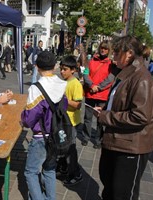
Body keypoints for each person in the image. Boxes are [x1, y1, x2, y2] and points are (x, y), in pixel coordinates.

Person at [94, 35, 153, 200]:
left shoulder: (142, 79)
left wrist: (106, 116)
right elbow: (120, 102)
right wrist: (105, 108)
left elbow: (140, 116)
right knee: (109, 188)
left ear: (129, 53)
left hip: (130, 146)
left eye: (116, 52)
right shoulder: (126, 74)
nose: (112, 56)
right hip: (116, 142)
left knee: (122, 193)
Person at [21, 51, 67, 200]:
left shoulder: (36, 88)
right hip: (55, 134)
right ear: (55, 66)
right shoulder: (62, 84)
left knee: (31, 172)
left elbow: (29, 120)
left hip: (41, 137)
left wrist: (22, 115)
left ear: (36, 67)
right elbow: (63, 109)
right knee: (49, 169)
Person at [82, 40, 113, 149]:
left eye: (106, 48)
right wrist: (91, 85)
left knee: (100, 119)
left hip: (102, 95)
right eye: (102, 48)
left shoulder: (111, 64)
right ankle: (86, 137)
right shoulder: (91, 61)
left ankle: (98, 140)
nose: (103, 50)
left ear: (109, 50)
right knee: (87, 117)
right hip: (90, 93)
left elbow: (110, 79)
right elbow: (85, 73)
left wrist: (99, 87)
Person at [58, 55, 83, 186]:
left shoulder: (76, 84)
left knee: (70, 149)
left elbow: (78, 105)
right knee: (62, 146)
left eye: (65, 69)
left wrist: (64, 100)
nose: (62, 71)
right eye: (61, 69)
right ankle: (63, 168)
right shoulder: (64, 82)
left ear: (73, 70)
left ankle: (76, 174)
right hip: (63, 120)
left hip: (71, 122)